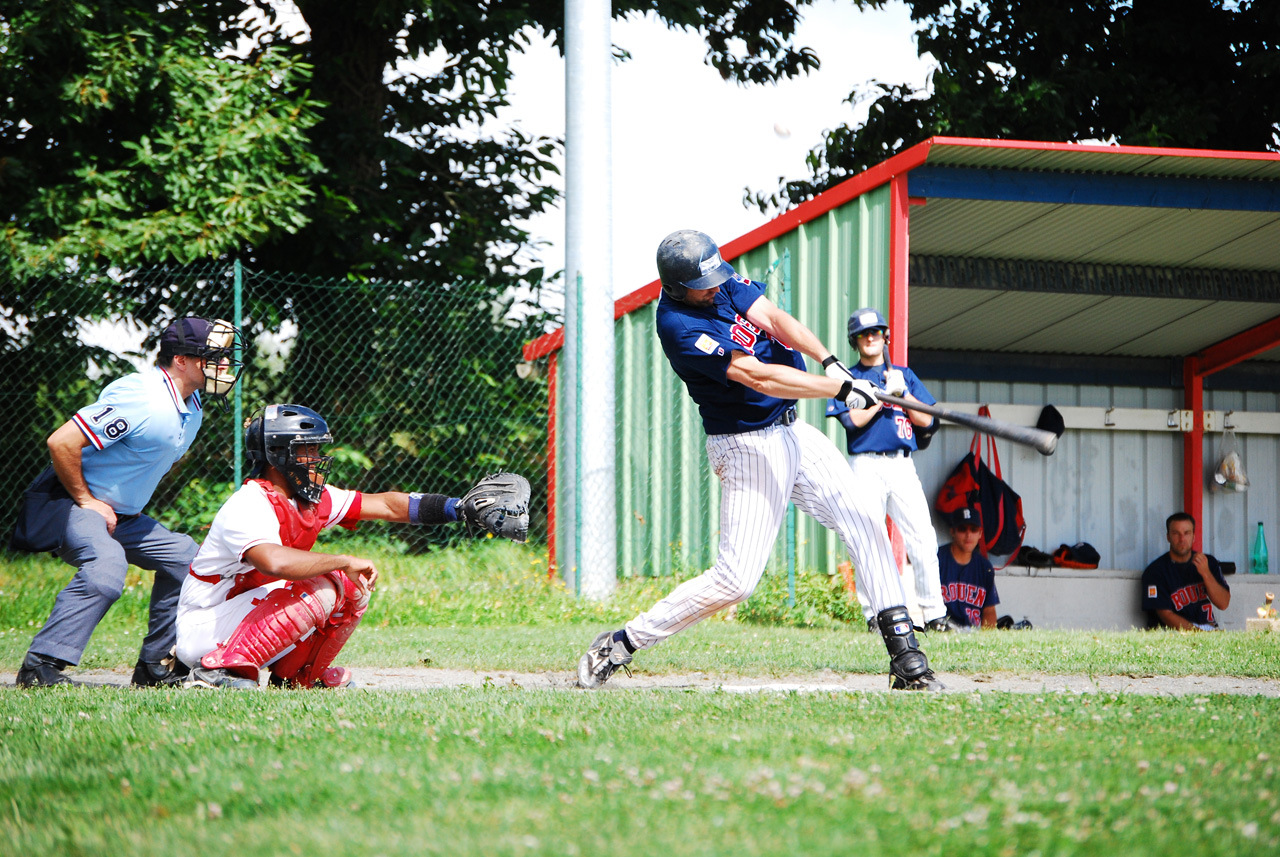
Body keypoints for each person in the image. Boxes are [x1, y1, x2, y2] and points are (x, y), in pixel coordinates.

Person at [576, 230, 943, 692]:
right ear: (676, 285)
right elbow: (760, 376)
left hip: (793, 432)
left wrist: (831, 362)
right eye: (703, 283)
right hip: (746, 446)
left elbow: (774, 318)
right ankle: (621, 643)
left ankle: (906, 657)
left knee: (864, 521)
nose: (715, 286)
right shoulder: (677, 324)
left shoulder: (720, 281)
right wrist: (842, 389)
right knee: (735, 581)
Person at [176, 404, 530, 689]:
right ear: (279, 457)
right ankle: (217, 671)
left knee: (351, 586)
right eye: (307, 450)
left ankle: (299, 677)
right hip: (206, 627)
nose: (317, 458)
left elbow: (387, 505)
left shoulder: (308, 500)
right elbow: (273, 562)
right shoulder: (249, 502)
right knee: (328, 582)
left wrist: (458, 507)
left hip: (242, 614)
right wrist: (341, 560)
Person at [10, 317, 244, 688]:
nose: (225, 365)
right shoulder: (143, 396)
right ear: (180, 360)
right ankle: (39, 667)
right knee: (106, 569)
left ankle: (154, 667)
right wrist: (88, 499)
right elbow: (62, 442)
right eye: (214, 356)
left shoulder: (192, 402)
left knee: (189, 561)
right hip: (70, 501)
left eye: (226, 356)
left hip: (123, 514)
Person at [825, 307, 955, 633]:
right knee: (869, 540)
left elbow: (927, 421)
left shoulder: (904, 375)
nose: (870, 338)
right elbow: (853, 422)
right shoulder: (848, 378)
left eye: (876, 332)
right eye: (863, 334)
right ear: (855, 341)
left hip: (901, 464)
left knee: (923, 539)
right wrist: (881, 398)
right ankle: (876, 615)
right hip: (866, 465)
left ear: (885, 337)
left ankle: (934, 615)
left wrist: (904, 394)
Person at [1142, 512, 1230, 631]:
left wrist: (1206, 573)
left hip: (1208, 628)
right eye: (1176, 533)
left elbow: (1223, 603)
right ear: (1168, 537)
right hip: (1172, 633)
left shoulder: (1208, 562)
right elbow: (1165, 615)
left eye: (1187, 533)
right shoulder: (1155, 571)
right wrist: (1199, 634)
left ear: (1194, 536)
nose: (1182, 539)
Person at [937, 506, 999, 629]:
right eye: (962, 529)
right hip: (943, 630)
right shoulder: (937, 560)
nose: (968, 534)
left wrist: (987, 641)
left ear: (980, 533)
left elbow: (989, 610)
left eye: (974, 529)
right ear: (952, 531)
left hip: (972, 632)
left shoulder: (984, 567)